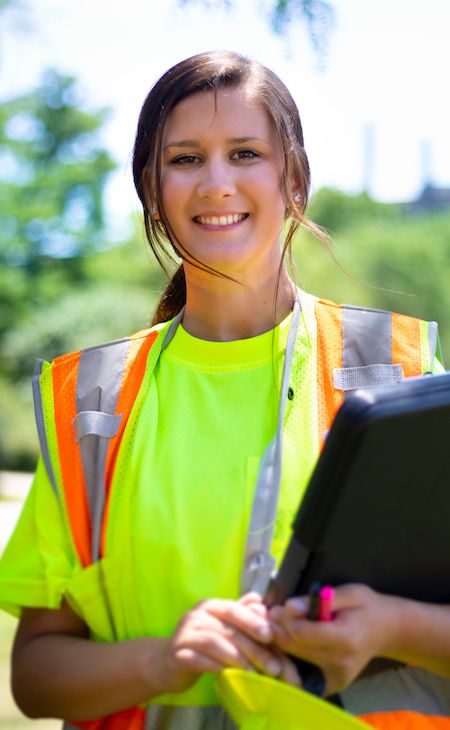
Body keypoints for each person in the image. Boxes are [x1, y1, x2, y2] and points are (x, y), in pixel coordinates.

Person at [0, 50, 449, 730]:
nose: (215, 182)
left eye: (245, 153)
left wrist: (392, 627)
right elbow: (35, 677)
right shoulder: (89, 402)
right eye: (184, 159)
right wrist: (163, 661)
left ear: (293, 176)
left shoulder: (401, 369)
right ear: (150, 189)